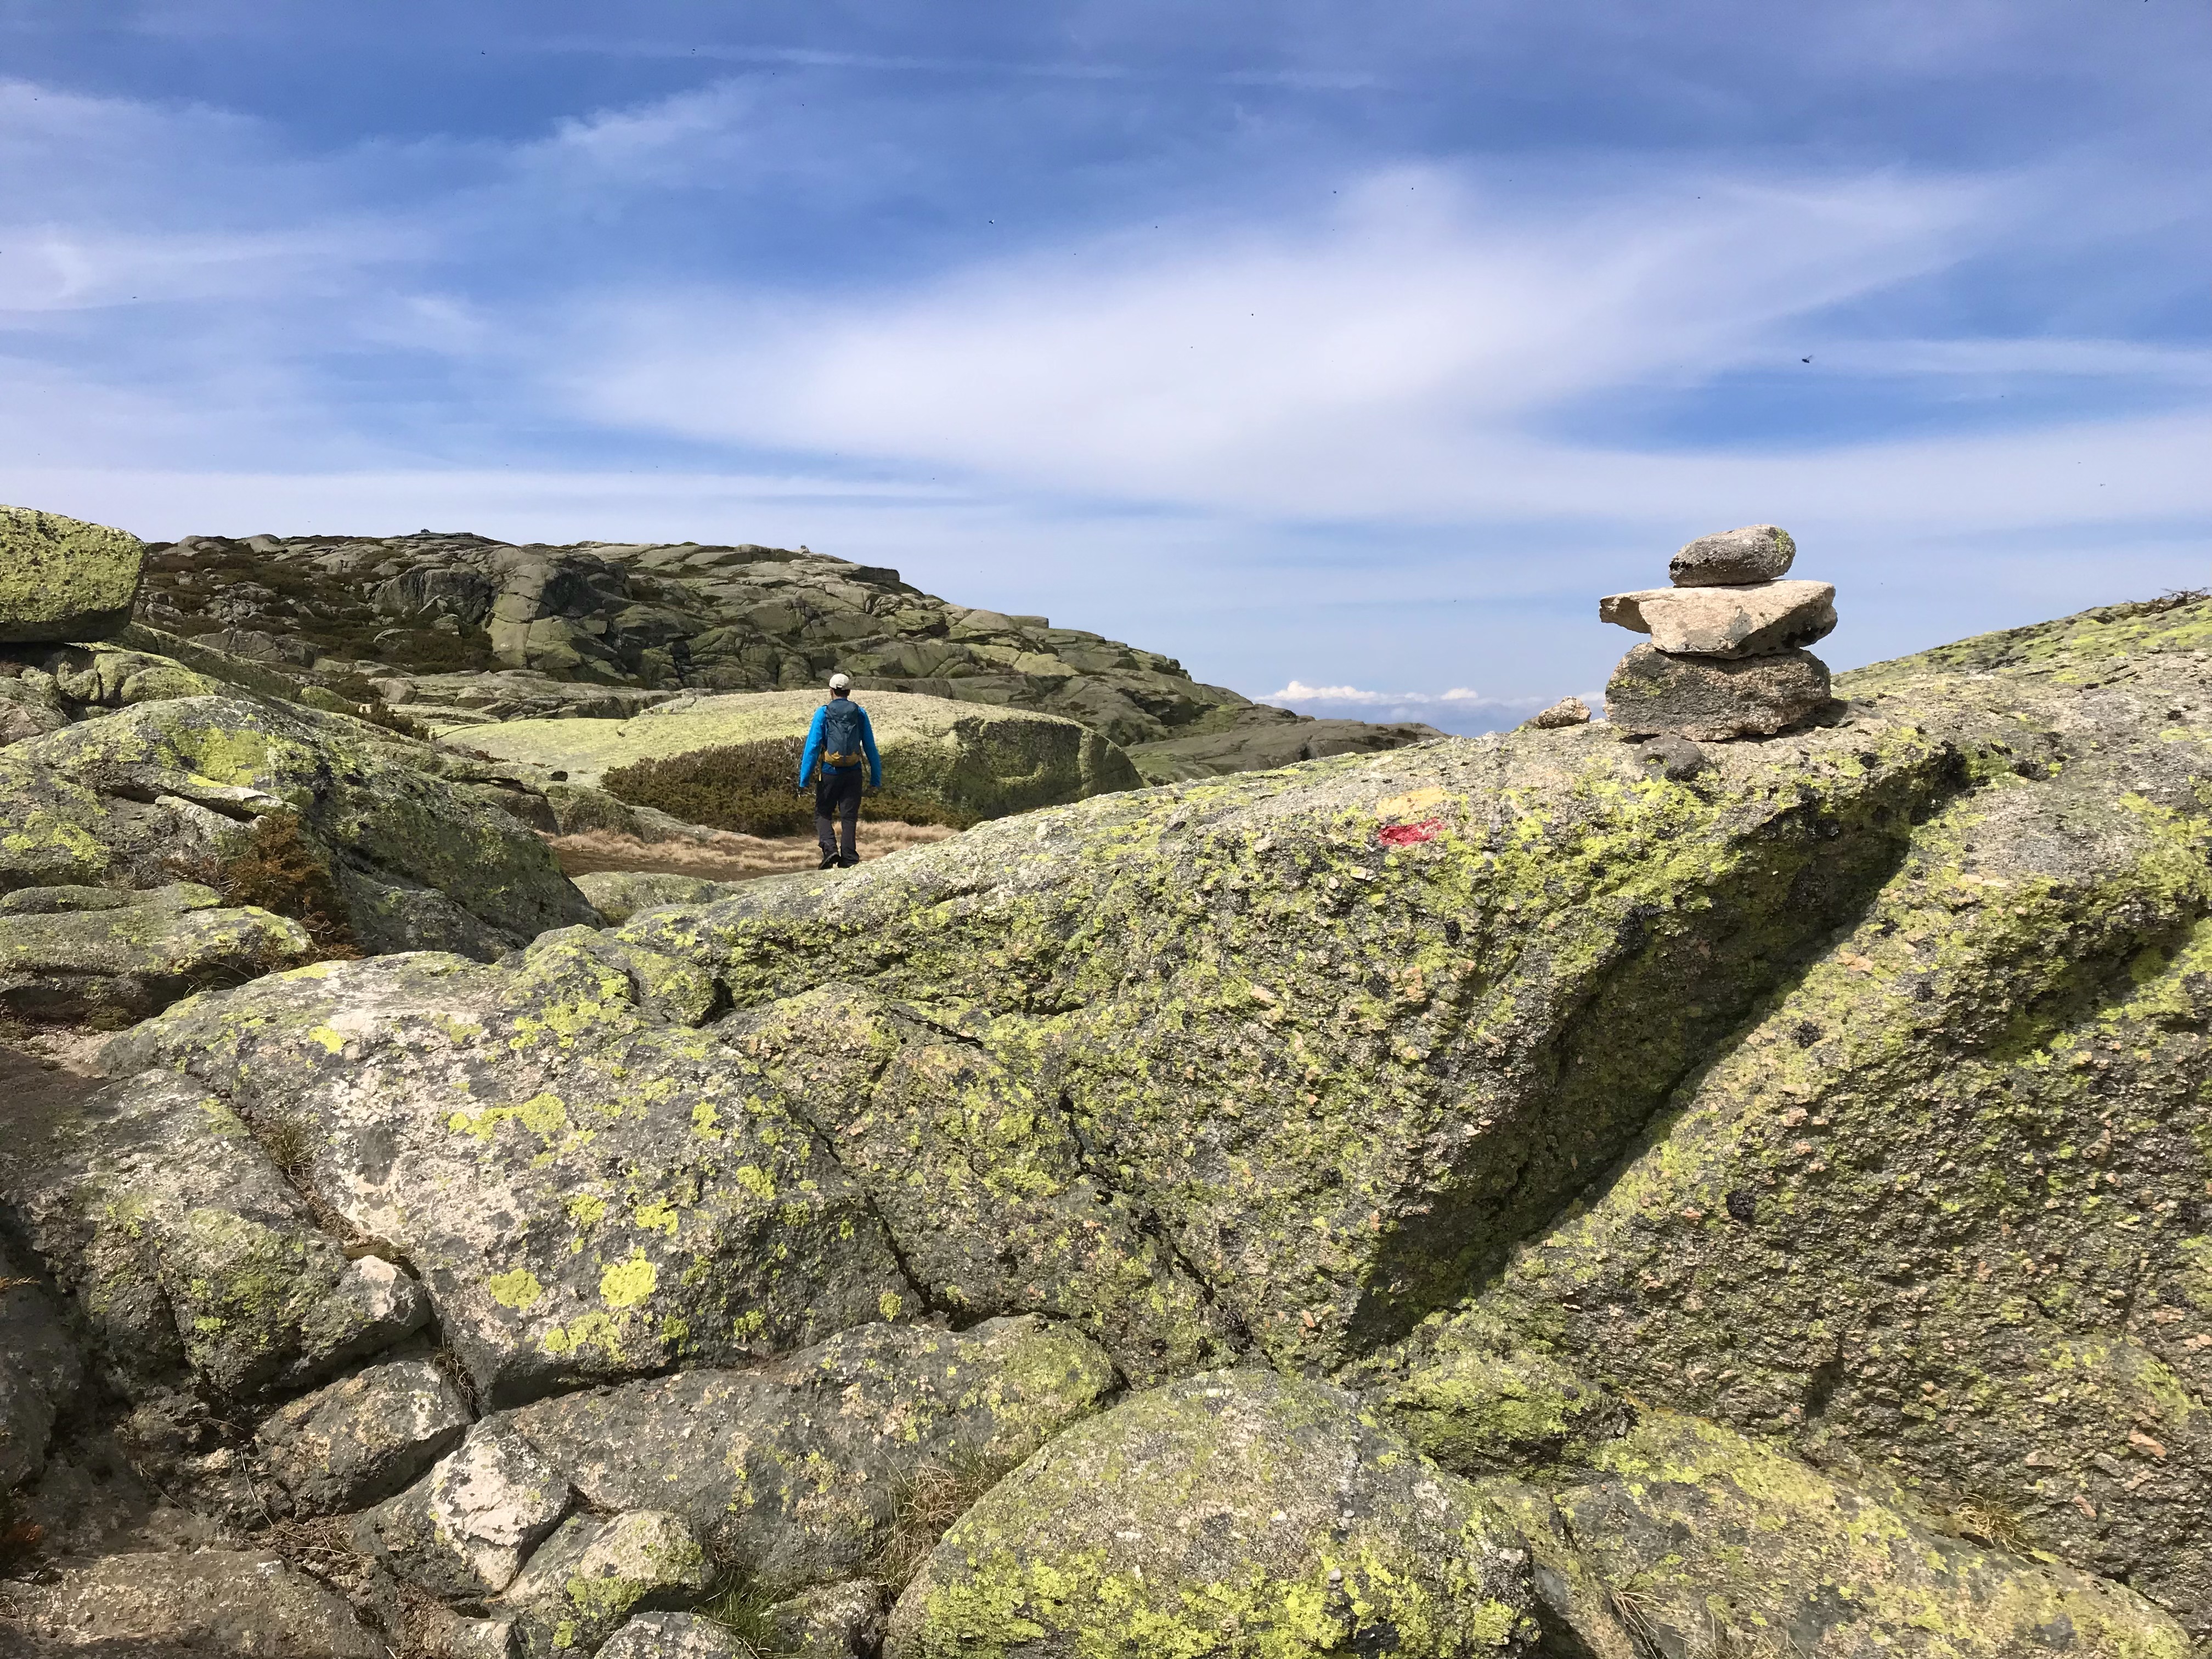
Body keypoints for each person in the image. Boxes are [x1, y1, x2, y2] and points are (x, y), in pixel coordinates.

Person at [797, 672, 882, 868]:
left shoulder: (823, 713)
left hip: (830, 772)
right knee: (849, 816)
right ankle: (849, 858)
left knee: (823, 813)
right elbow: (870, 746)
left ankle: (830, 849)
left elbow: (813, 746)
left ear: (831, 691)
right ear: (849, 692)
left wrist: (804, 778)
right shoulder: (859, 713)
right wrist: (876, 778)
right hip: (853, 773)